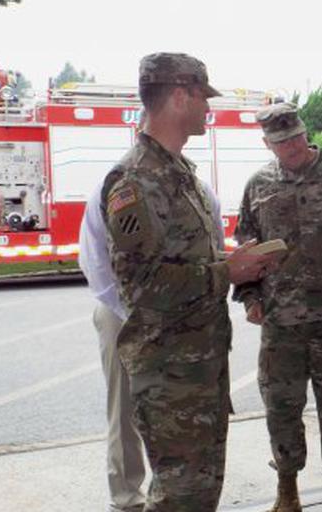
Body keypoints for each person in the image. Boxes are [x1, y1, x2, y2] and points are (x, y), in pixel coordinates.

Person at [101, 52, 276, 511]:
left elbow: (181, 257)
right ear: (179, 96)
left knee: (198, 495)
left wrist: (230, 259)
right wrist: (228, 272)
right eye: (202, 97)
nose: (207, 108)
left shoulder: (180, 174)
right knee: (180, 499)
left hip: (198, 371)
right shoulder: (135, 181)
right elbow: (141, 285)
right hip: (170, 379)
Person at [79, 110, 228, 512]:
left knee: (177, 421)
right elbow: (95, 262)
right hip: (125, 312)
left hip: (186, 318)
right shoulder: (124, 183)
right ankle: (127, 497)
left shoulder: (194, 185)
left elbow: (213, 247)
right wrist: (133, 315)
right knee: (125, 410)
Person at [233, 102, 322, 512]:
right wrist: (250, 297)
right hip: (281, 324)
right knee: (281, 407)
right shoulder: (258, 185)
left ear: (304, 131)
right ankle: (287, 491)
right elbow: (245, 249)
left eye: (296, 137)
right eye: (281, 142)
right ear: (267, 144)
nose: (292, 147)